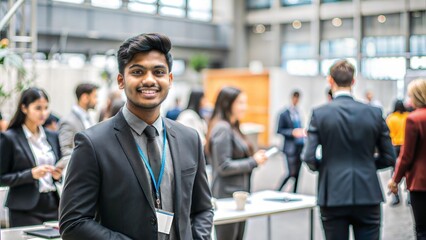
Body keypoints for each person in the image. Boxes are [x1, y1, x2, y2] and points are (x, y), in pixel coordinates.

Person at [59, 33, 213, 240]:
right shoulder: (93, 143)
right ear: (121, 81)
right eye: (138, 72)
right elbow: (74, 223)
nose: (149, 80)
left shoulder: (189, 138)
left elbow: (202, 209)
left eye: (158, 72)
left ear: (169, 79)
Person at [302, 60, 395, 240]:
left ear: (330, 81)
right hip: (368, 192)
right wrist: (367, 165)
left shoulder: (319, 114)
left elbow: (308, 156)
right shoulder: (374, 113)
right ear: (353, 82)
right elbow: (389, 157)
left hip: (332, 193)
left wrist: (326, 167)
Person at [206, 86, 267, 240]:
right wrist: (253, 161)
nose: (244, 107)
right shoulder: (223, 129)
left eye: (244, 102)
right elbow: (223, 166)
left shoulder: (233, 127)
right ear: (228, 104)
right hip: (227, 196)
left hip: (238, 196)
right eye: (240, 103)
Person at [0, 87, 62, 227]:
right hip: (24, 208)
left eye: (46, 108)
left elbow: (58, 169)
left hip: (52, 204)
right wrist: (31, 174)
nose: (43, 113)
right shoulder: (9, 138)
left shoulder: (52, 136)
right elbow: (1, 178)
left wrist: (57, 175)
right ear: (24, 108)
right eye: (38, 108)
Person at [388, 78, 426, 240]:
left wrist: (395, 180)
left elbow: (407, 156)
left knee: (422, 230)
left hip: (420, 182)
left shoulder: (414, 119)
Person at [58, 83, 98, 178]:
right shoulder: (68, 121)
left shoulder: (89, 118)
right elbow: (64, 150)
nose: (97, 101)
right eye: (95, 97)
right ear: (85, 98)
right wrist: (88, 156)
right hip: (78, 174)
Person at [276, 90, 305, 193]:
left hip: (300, 145)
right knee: (291, 172)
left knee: (297, 173)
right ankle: (278, 191)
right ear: (292, 98)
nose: (296, 100)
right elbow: (279, 130)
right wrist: (292, 132)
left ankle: (295, 193)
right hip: (290, 147)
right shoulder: (284, 114)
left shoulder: (298, 113)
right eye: (295, 98)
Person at [386, 99, 409, 206]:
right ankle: (409, 196)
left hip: (394, 146)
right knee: (408, 170)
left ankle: (396, 197)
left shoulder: (391, 118)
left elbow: (388, 133)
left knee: (395, 171)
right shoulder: (408, 116)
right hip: (406, 145)